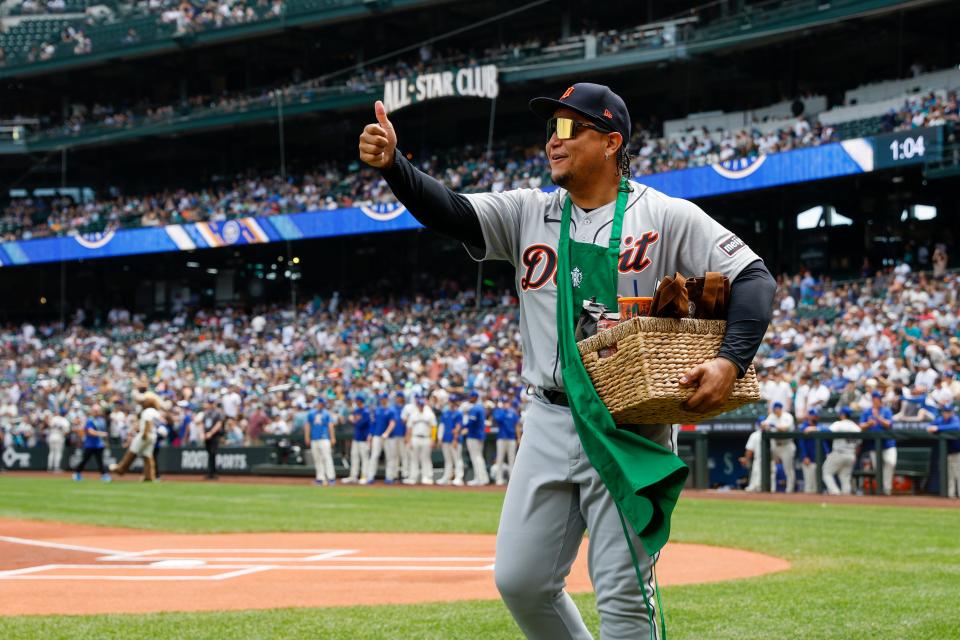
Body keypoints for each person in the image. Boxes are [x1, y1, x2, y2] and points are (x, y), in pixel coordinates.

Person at [359, 81, 775, 639]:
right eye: (548, 129)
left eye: (566, 128)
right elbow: (453, 213)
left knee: (623, 596)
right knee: (521, 580)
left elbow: (753, 278)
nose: (551, 142)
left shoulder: (665, 215)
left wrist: (729, 360)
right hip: (549, 417)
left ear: (609, 141)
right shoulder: (529, 211)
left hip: (627, 422)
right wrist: (395, 167)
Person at [109, 390, 169, 482]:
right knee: (148, 456)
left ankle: (121, 468)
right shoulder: (156, 412)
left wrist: (145, 433)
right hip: (153, 436)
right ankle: (149, 476)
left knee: (132, 452)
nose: (143, 402)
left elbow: (148, 422)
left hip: (145, 434)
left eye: (145, 401)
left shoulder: (147, 411)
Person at [807, 406, 861, 495]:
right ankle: (846, 498)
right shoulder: (856, 427)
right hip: (851, 455)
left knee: (826, 472)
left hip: (839, 453)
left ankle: (835, 493)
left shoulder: (839, 424)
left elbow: (826, 430)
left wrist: (812, 428)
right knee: (845, 477)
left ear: (843, 415)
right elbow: (859, 444)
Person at [859, 390, 897, 495]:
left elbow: (889, 424)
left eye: (878, 398)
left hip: (888, 443)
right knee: (878, 468)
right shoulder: (867, 412)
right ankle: (881, 490)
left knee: (891, 463)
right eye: (875, 398)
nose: (877, 400)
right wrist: (869, 423)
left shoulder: (886, 410)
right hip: (874, 445)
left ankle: (887, 489)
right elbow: (861, 426)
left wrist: (878, 418)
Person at [762, 401, 796, 492]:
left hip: (786, 445)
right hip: (775, 445)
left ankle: (789, 490)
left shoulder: (787, 416)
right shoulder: (772, 416)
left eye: (777, 409)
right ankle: (771, 489)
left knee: (788, 469)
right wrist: (766, 425)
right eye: (774, 409)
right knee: (771, 468)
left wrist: (773, 425)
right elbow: (763, 425)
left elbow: (784, 429)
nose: (776, 411)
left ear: (781, 409)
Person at [927, 405, 960, 498]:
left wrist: (938, 428)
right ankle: (951, 494)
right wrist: (933, 427)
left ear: (952, 412)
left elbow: (957, 426)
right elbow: (929, 426)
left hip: (957, 452)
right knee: (949, 474)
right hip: (946, 453)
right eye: (946, 411)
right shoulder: (940, 420)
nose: (947, 413)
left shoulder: (955, 419)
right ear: (943, 412)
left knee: (958, 474)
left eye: (949, 411)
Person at [404, 395, 437, 485]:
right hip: (415, 438)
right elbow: (409, 428)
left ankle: (427, 477)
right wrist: (408, 440)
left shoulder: (429, 414)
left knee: (425, 458)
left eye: (422, 405)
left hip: (426, 438)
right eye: (420, 405)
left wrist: (433, 440)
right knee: (414, 458)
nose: (421, 406)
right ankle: (413, 477)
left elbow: (434, 427)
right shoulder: (413, 415)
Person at [73, 404, 111, 482]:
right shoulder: (90, 420)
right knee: (85, 460)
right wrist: (101, 434)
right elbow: (90, 432)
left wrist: (105, 441)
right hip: (90, 444)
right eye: (95, 411)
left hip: (99, 445)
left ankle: (104, 475)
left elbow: (103, 432)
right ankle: (77, 473)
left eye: (98, 411)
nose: (96, 412)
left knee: (100, 461)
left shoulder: (101, 420)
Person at [305, 397, 337, 486]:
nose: (321, 405)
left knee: (327, 458)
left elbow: (330, 425)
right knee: (317, 459)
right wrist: (307, 437)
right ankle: (320, 479)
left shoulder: (326, 413)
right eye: (321, 403)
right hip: (314, 438)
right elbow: (308, 425)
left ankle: (331, 478)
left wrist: (332, 437)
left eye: (323, 404)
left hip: (324, 438)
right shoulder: (311, 413)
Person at [797, 407, 827, 494]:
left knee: (817, 484)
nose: (815, 417)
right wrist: (804, 456)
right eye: (813, 415)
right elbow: (801, 444)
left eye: (816, 416)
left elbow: (828, 430)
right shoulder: (803, 427)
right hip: (809, 459)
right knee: (809, 484)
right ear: (809, 416)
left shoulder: (819, 426)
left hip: (820, 459)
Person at [463, 391, 490, 486]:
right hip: (479, 435)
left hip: (474, 435)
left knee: (476, 457)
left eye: (471, 397)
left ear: (475, 397)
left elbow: (471, 422)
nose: (469, 399)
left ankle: (479, 478)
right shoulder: (481, 407)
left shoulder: (475, 408)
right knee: (479, 457)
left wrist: (464, 427)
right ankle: (483, 478)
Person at [343, 395, 371, 483]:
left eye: (357, 400)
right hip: (357, 437)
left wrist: (353, 420)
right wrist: (353, 419)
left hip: (364, 438)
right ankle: (353, 476)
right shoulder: (356, 410)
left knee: (364, 458)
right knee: (354, 457)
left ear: (360, 401)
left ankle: (364, 476)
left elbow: (359, 423)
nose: (356, 402)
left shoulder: (366, 411)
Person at [437, 398, 465, 486]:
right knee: (448, 460)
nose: (452, 403)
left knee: (457, 459)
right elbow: (442, 426)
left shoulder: (458, 413)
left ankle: (459, 477)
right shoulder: (445, 413)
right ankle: (446, 477)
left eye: (453, 402)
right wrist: (440, 438)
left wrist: (455, 439)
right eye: (451, 402)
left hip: (454, 440)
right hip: (446, 439)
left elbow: (458, 427)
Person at [494, 399, 521, 486]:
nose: (506, 404)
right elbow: (498, 420)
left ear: (509, 403)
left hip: (511, 438)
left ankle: (511, 479)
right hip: (501, 437)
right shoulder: (499, 411)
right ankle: (499, 479)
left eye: (507, 402)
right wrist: (503, 411)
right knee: (500, 459)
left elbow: (517, 425)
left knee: (511, 459)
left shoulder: (513, 412)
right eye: (504, 402)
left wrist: (519, 438)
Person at [366, 394, 392, 484]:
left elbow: (392, 423)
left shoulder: (390, 410)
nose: (383, 400)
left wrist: (387, 433)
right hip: (377, 435)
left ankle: (389, 477)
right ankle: (370, 476)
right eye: (381, 399)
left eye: (384, 399)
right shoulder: (377, 410)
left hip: (388, 437)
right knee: (374, 456)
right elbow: (373, 424)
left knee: (389, 457)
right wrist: (370, 434)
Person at [202, 398, 224, 480]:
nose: (210, 404)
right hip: (207, 436)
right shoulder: (206, 413)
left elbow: (219, 424)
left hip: (214, 436)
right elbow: (203, 423)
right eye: (209, 403)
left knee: (213, 453)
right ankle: (210, 472)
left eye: (212, 403)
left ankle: (213, 473)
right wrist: (203, 434)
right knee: (209, 454)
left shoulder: (218, 413)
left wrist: (211, 433)